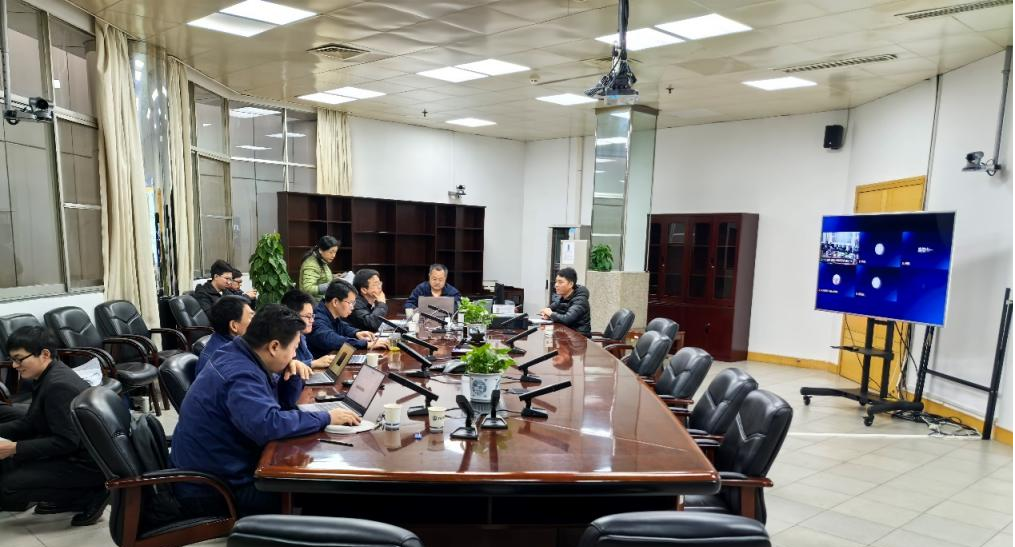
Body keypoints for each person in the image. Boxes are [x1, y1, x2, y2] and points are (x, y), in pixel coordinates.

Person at [170, 305, 360, 517]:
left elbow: (278, 406)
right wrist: (326, 417)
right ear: (274, 346)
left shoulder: (239, 353)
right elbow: (269, 424)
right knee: (326, 493)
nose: (295, 355)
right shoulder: (240, 374)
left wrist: (292, 378)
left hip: (224, 471)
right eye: (294, 348)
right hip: (215, 491)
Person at [0, 326, 109, 526]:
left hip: (87, 464)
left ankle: (91, 494)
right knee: (14, 467)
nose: (14, 366)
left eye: (19, 359)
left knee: (7, 486)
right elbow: (30, 423)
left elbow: (66, 442)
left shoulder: (58, 386)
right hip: (77, 454)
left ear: (45, 354)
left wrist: (13, 448)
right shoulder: (49, 375)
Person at [308, 280, 389, 358]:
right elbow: (333, 340)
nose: (352, 307)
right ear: (335, 302)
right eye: (350, 303)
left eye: (353, 303)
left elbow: (341, 327)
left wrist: (356, 333)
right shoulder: (316, 318)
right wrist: (366, 344)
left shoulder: (329, 312)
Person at [195, 295, 255, 377]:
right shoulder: (223, 360)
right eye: (251, 317)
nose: (256, 322)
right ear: (234, 326)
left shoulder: (233, 344)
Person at [280, 289, 335, 369]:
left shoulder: (301, 335)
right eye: (308, 316)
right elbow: (285, 369)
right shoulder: (283, 339)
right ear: (292, 316)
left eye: (312, 316)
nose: (312, 320)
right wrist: (313, 363)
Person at [540, 267, 591, 337]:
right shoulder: (563, 297)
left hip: (579, 339)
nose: (556, 285)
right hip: (565, 335)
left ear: (571, 284)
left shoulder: (580, 300)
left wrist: (550, 314)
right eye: (556, 282)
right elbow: (548, 309)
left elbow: (567, 319)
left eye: (560, 282)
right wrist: (546, 314)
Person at [298, 236, 351, 302]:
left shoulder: (321, 259)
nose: (333, 255)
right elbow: (308, 288)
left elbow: (320, 276)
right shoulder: (311, 265)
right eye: (331, 252)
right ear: (320, 250)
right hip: (313, 303)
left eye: (335, 252)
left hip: (320, 300)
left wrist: (334, 277)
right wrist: (330, 285)